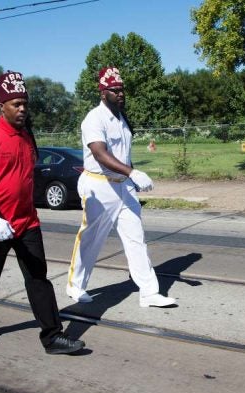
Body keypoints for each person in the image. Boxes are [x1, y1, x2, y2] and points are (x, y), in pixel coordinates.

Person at [0, 70, 84, 354]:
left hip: (26, 221)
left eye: (25, 103)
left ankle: (52, 337)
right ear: (1, 105)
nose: (22, 109)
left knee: (37, 277)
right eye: (16, 104)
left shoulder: (28, 137)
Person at [66, 66, 177, 308]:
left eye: (122, 89)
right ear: (103, 92)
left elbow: (123, 155)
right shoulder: (93, 119)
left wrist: (131, 175)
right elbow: (100, 153)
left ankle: (148, 292)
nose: (120, 93)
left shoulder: (122, 118)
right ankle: (76, 286)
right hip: (99, 185)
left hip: (123, 186)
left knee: (136, 237)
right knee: (92, 238)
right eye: (115, 90)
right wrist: (132, 172)